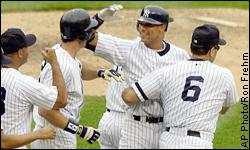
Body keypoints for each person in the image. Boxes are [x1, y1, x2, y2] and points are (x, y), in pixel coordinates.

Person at [86, 5, 190, 149]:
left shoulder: (180, 56)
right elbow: (84, 37)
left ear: (163, 27)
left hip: (164, 129)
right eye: (141, 23)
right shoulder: (128, 49)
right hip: (135, 129)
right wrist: (99, 18)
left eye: (148, 24)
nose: (142, 28)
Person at [122, 24, 239, 149]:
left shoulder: (168, 71)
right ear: (211, 51)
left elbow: (129, 97)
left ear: (191, 47)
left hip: (169, 141)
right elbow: (224, 108)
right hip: (199, 144)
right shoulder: (224, 75)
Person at [31, 8, 124, 149]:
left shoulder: (60, 51)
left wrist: (101, 72)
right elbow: (45, 110)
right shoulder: (61, 65)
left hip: (58, 132)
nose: (93, 33)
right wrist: (79, 130)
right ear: (83, 35)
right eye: (90, 31)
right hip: (55, 136)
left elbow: (79, 67)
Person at [0, 28, 67, 149]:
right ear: (20, 53)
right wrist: (54, 63)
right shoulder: (22, 83)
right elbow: (60, 100)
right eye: (26, 47)